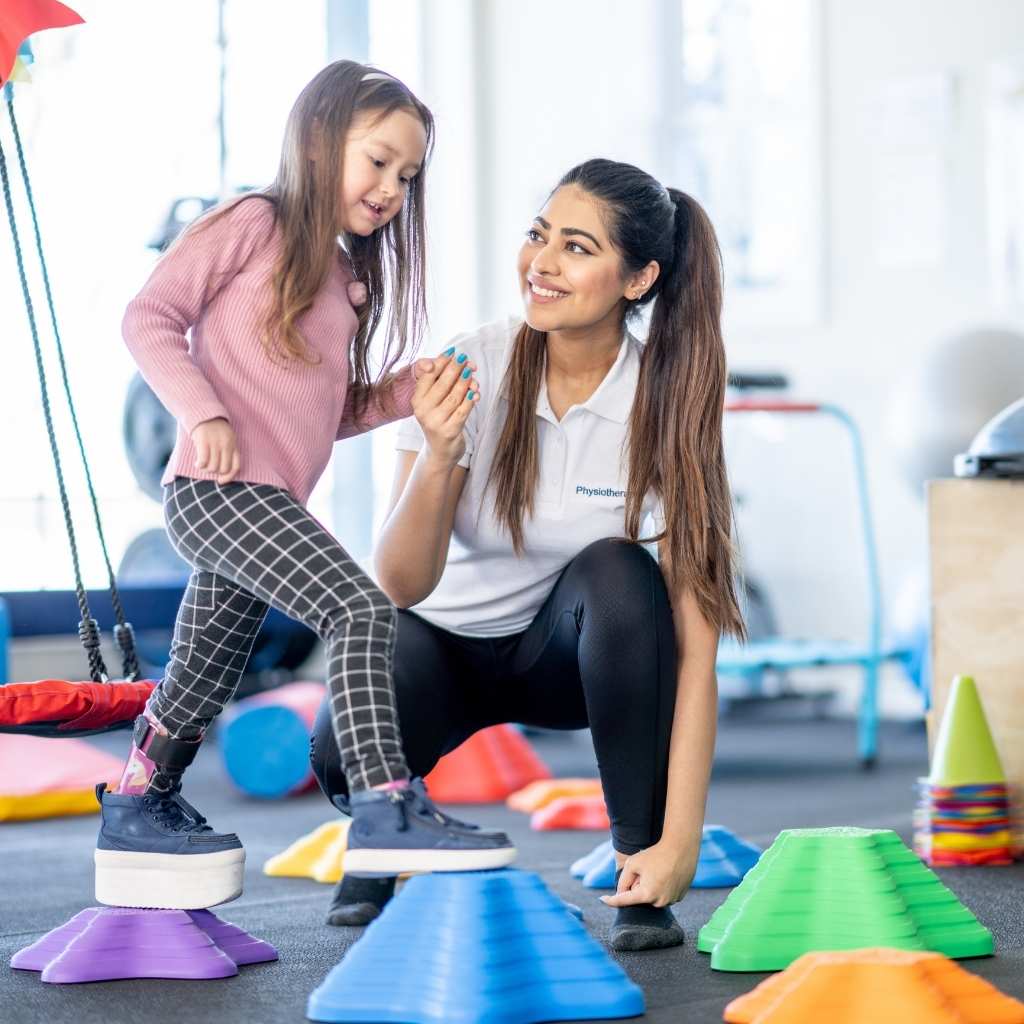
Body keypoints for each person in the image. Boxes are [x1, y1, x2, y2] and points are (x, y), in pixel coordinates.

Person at [95, 60, 515, 913]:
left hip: (266, 502)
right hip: (218, 491)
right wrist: (204, 412)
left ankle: (138, 799)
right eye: (378, 161)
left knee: (203, 674)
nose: (391, 188)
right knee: (359, 609)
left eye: (407, 175)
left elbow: (326, 411)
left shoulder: (341, 278)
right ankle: (386, 805)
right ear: (320, 142)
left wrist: (403, 390)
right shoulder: (255, 221)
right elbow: (149, 317)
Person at [311, 157, 745, 950]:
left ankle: (638, 869)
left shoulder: (665, 402)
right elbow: (399, 584)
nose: (541, 263)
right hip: (439, 647)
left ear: (638, 279)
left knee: (621, 574)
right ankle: (383, 829)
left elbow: (697, 648)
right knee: (340, 745)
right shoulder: (471, 364)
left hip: (567, 662)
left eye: (576, 247)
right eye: (538, 235)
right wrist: (441, 455)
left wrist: (680, 839)